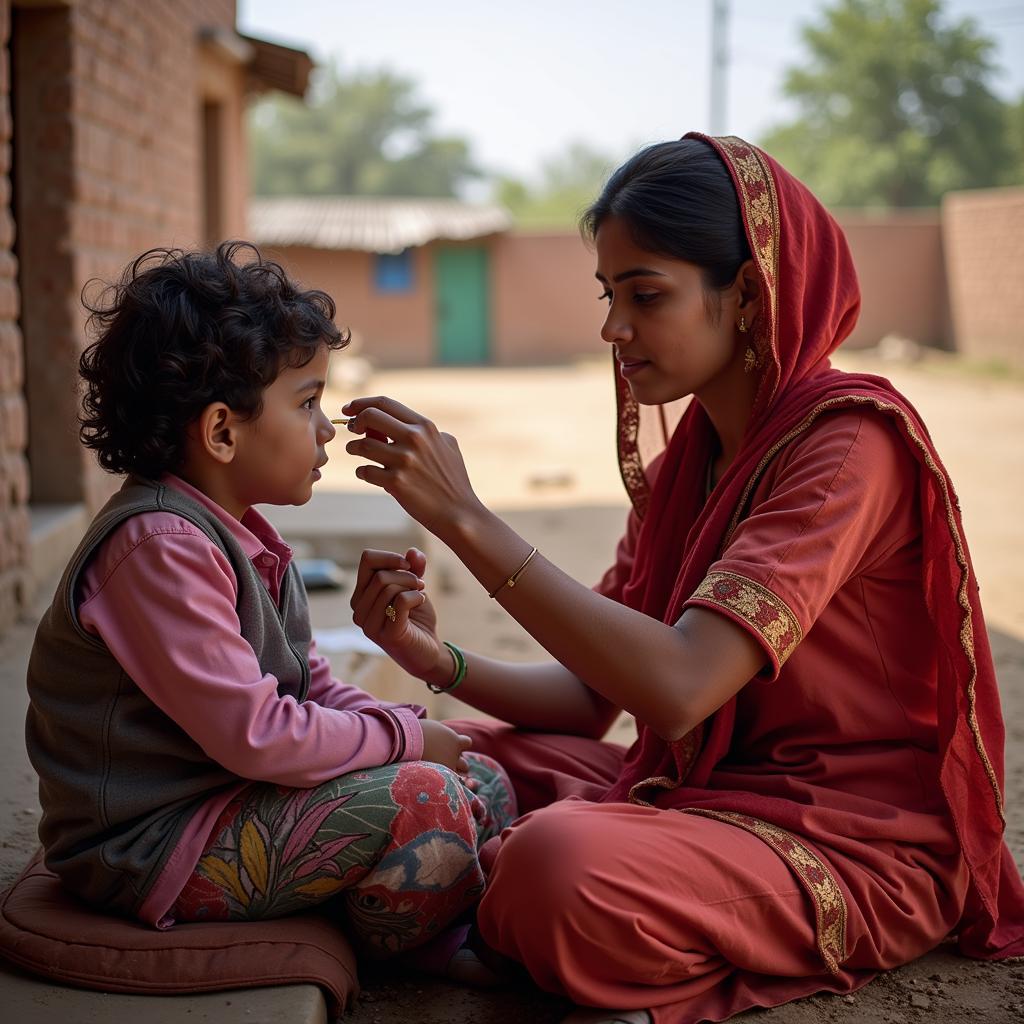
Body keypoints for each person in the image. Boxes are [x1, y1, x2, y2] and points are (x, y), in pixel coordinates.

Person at [343, 134, 1024, 1023]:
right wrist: (435, 663)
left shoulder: (848, 447)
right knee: (429, 751)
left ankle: (519, 921)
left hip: (848, 838)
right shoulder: (688, 466)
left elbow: (677, 688)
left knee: (556, 866)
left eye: (646, 295)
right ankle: (505, 916)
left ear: (746, 293)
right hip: (699, 791)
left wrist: (468, 520)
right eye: (608, 295)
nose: (613, 328)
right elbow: (596, 700)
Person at [24, 242, 515, 974]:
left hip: (230, 804)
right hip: (151, 845)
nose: (328, 430)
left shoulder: (241, 535)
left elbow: (308, 688)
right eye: (308, 402)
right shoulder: (158, 546)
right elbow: (258, 735)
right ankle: (431, 946)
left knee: (487, 773)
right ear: (223, 430)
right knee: (429, 799)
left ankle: (413, 906)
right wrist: (403, 741)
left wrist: (409, 727)